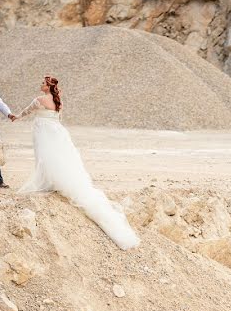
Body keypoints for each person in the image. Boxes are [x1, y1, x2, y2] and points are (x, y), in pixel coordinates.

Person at [14, 76, 140, 250]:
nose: (40, 85)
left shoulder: (39, 100)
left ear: (48, 87)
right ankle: (54, 180)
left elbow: (26, 111)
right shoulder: (59, 102)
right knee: (58, 157)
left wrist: (15, 117)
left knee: (44, 156)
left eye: (43, 83)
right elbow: (58, 118)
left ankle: (47, 181)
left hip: (44, 130)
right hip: (57, 131)